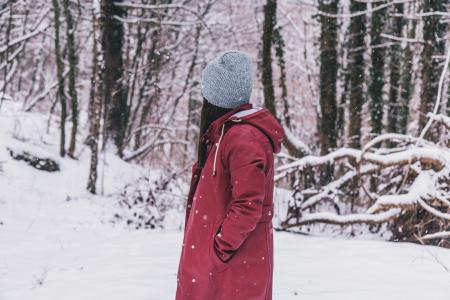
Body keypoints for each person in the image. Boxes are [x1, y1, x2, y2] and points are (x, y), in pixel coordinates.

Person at [175, 50, 284, 300]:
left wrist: (218, 250)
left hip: (233, 267)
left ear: (215, 98)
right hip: (221, 267)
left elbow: (247, 205)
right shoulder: (226, 135)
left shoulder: (244, 139)